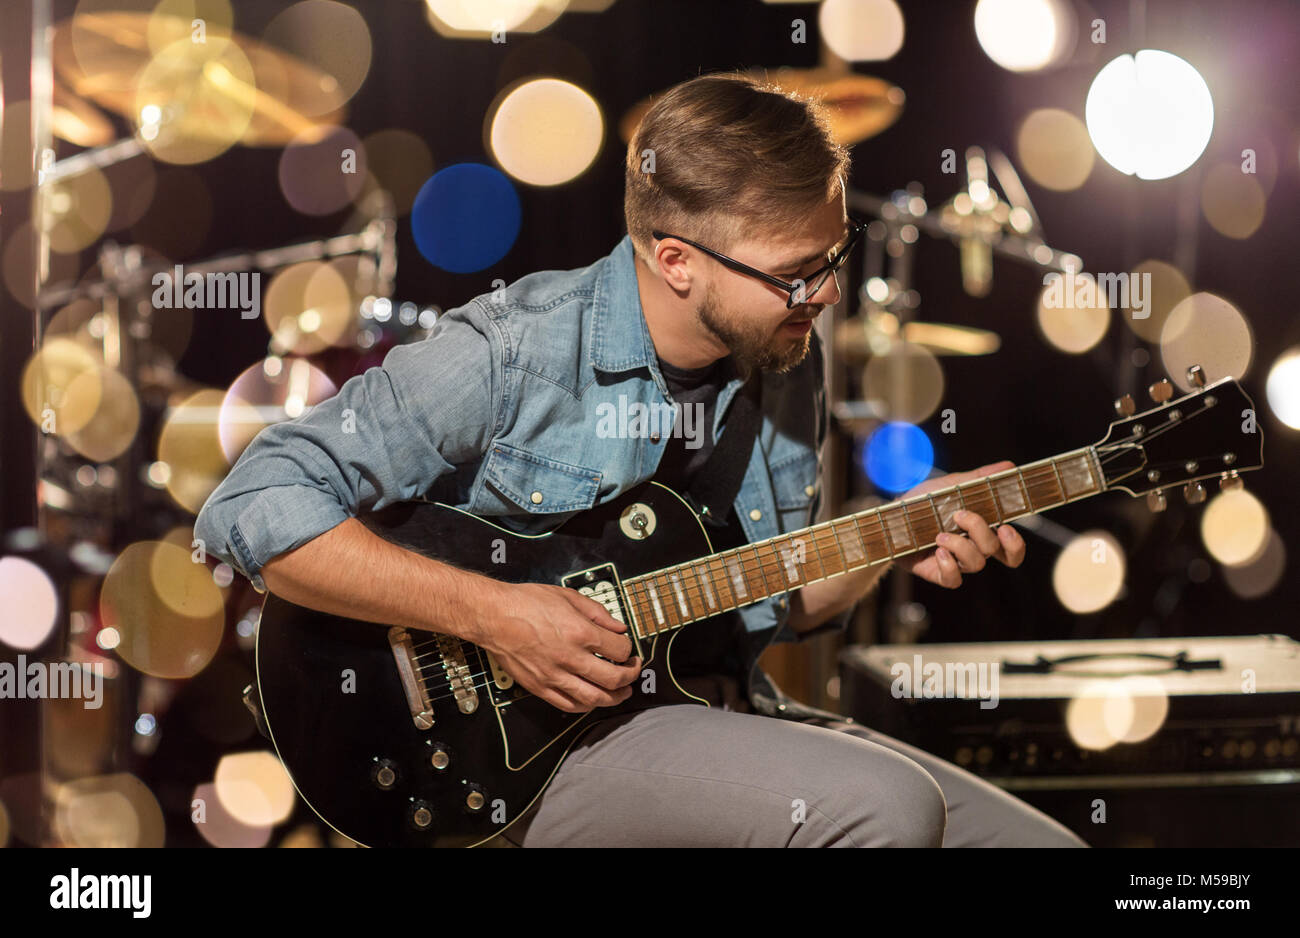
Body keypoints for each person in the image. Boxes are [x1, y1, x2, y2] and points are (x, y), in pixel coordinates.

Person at [195, 72, 1086, 847]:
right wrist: (498, 615)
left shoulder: (785, 351)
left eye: (832, 256)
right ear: (676, 261)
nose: (822, 294)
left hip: (712, 711)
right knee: (886, 808)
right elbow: (253, 505)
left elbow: (767, 601)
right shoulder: (515, 351)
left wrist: (898, 533)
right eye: (793, 272)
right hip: (522, 756)